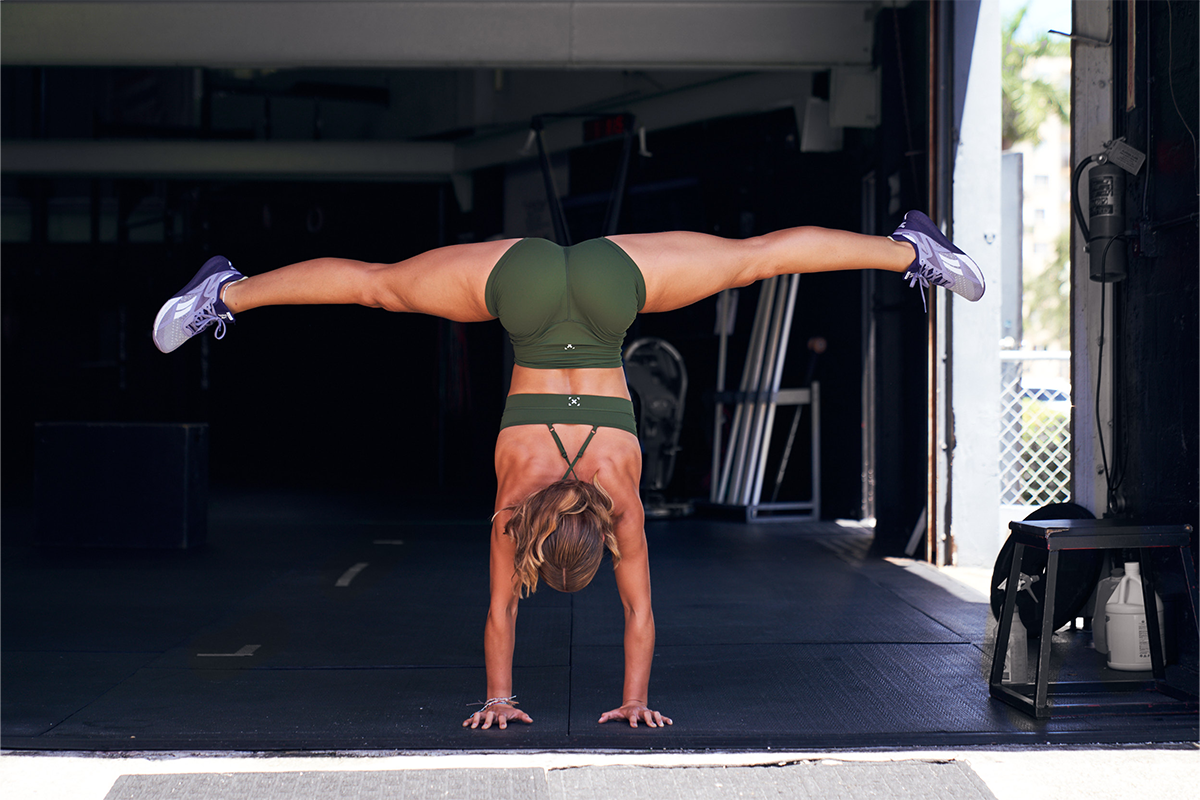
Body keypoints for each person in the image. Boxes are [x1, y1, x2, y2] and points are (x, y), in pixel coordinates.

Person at [152, 210, 984, 730]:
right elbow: (499, 615)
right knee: (378, 290)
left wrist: (634, 696)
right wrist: (499, 696)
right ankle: (225, 296)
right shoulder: (513, 505)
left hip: (609, 286)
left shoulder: (618, 500)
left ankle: (909, 249)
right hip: (520, 290)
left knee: (755, 257)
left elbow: (641, 617)